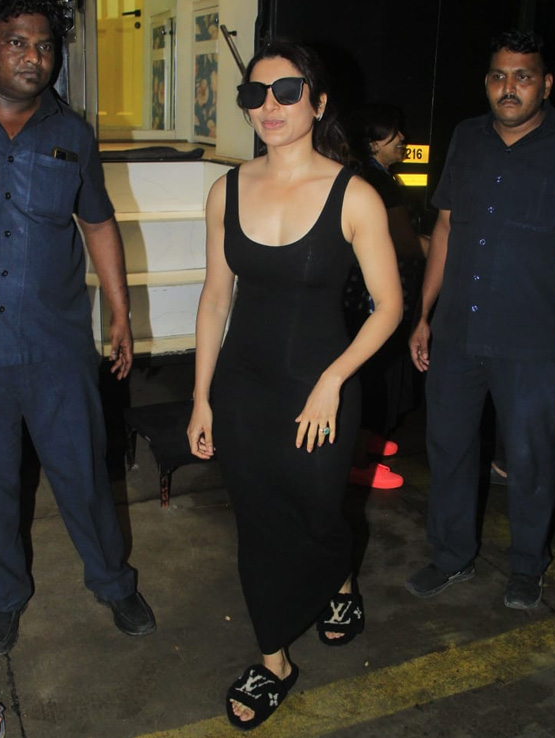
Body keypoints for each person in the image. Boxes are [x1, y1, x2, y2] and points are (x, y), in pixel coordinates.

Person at [186, 41, 401, 729]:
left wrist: (334, 379)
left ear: (318, 102)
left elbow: (389, 306)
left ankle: (339, 575)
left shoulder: (354, 194)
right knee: (258, 522)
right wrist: (200, 397)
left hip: (322, 387)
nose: (269, 107)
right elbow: (215, 298)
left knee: (316, 513)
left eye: (286, 92)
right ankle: (273, 658)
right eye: (255, 95)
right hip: (243, 388)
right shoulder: (226, 190)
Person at [0, 0, 156, 659]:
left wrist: (119, 311)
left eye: (45, 46)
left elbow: (98, 222)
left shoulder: (73, 133)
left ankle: (112, 582)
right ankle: (3, 597)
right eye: (16, 42)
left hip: (56, 346)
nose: (34, 57)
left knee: (83, 472)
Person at [405, 29, 555, 610]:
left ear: (545, 84)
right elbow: (445, 227)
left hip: (531, 338)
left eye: (523, 76)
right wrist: (424, 314)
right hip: (458, 331)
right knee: (448, 448)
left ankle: (527, 565)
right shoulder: (467, 138)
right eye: (498, 76)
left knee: (530, 457)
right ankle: (451, 556)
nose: (509, 87)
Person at [343, 103, 429, 490]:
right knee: (373, 375)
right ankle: (358, 460)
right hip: (374, 299)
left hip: (365, 296)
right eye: (395, 133)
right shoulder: (377, 183)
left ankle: (367, 442)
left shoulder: (370, 176)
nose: (403, 139)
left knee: (375, 373)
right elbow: (404, 244)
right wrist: (441, 246)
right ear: (375, 142)